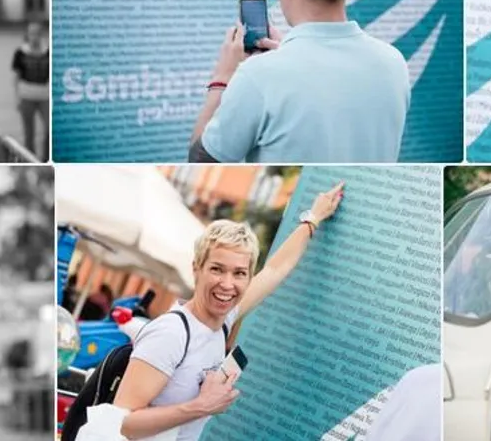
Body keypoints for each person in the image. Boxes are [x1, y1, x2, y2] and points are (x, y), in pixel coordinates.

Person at [111, 186, 345, 440]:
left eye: (239, 273)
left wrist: (313, 218)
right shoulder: (171, 333)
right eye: (217, 269)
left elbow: (275, 269)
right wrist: (200, 406)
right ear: (196, 268)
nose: (227, 283)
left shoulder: (224, 320)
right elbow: (122, 423)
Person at [189, 0, 409, 162]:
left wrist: (222, 78)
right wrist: (291, 53)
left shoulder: (260, 75)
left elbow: (199, 163)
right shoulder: (394, 63)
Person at [12, 18, 50, 160]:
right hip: (26, 96)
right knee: (29, 134)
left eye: (37, 33)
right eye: (31, 33)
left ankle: (45, 158)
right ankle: (30, 158)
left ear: (42, 34)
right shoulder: (20, 53)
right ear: (27, 35)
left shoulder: (48, 52)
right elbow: (16, 78)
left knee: (49, 129)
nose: (34, 36)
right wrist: (17, 99)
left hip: (44, 96)